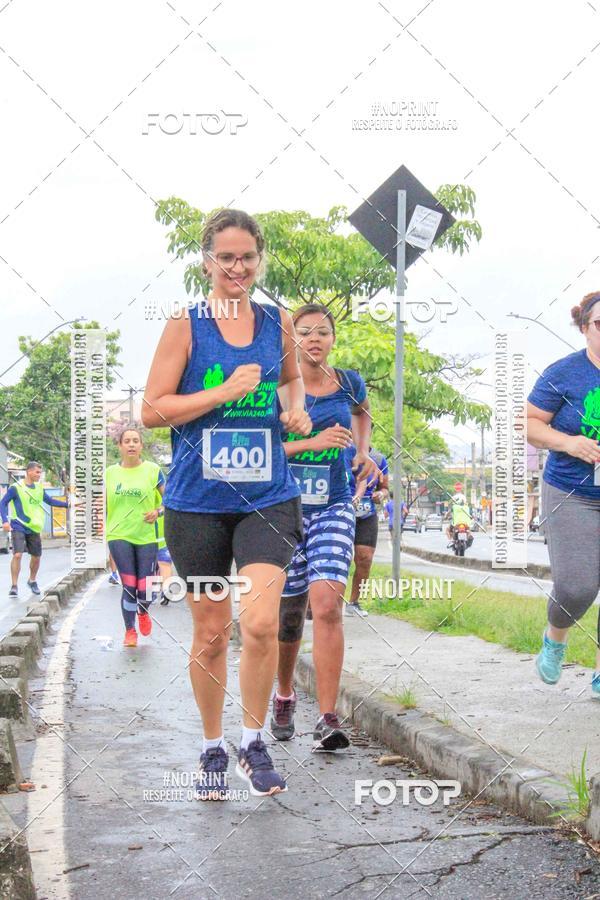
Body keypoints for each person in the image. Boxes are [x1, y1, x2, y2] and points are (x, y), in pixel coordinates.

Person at [142, 208, 311, 799]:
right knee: (212, 631)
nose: (238, 267)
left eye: (247, 257)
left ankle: (252, 741)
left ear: (260, 258)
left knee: (262, 623)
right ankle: (213, 746)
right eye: (226, 257)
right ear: (207, 261)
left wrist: (297, 410)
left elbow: (292, 383)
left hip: (268, 497)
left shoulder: (278, 322)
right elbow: (152, 410)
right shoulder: (186, 325)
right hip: (198, 503)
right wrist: (224, 391)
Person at [273, 303, 380, 749]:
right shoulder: (278, 389)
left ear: (333, 339)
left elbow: (363, 413)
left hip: (334, 505)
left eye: (323, 331)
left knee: (328, 604)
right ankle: (283, 694)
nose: (314, 338)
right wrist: (313, 441)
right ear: (292, 339)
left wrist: (362, 450)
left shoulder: (348, 381)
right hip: (282, 509)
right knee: (290, 613)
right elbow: (265, 451)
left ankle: (328, 716)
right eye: (304, 331)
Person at [527, 292, 600, 691]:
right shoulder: (565, 372)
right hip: (573, 491)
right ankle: (555, 637)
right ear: (585, 328)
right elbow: (531, 424)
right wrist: (569, 442)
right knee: (578, 585)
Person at [105, 428, 165, 647]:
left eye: (135, 441)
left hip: (146, 535)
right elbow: (96, 503)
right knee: (129, 584)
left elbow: (170, 499)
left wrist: (158, 511)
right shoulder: (109, 473)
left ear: (141, 446)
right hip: (119, 534)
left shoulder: (153, 470)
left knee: (145, 588)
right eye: (127, 441)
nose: (131, 444)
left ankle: (143, 610)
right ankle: (130, 631)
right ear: (119, 446)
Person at [0, 462, 69, 597]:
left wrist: (67, 505)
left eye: (40, 472)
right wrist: (5, 521)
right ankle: (14, 586)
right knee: (17, 554)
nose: (39, 475)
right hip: (18, 524)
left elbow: (50, 501)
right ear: (29, 472)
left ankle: (32, 580)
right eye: (37, 472)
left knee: (36, 557)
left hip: (34, 526)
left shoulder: (39, 488)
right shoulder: (16, 487)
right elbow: (2, 503)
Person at [346, 443, 389, 617]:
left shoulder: (379, 459)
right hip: (338, 510)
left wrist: (381, 495)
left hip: (366, 514)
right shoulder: (338, 451)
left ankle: (354, 602)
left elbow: (385, 488)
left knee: (364, 558)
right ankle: (317, 602)